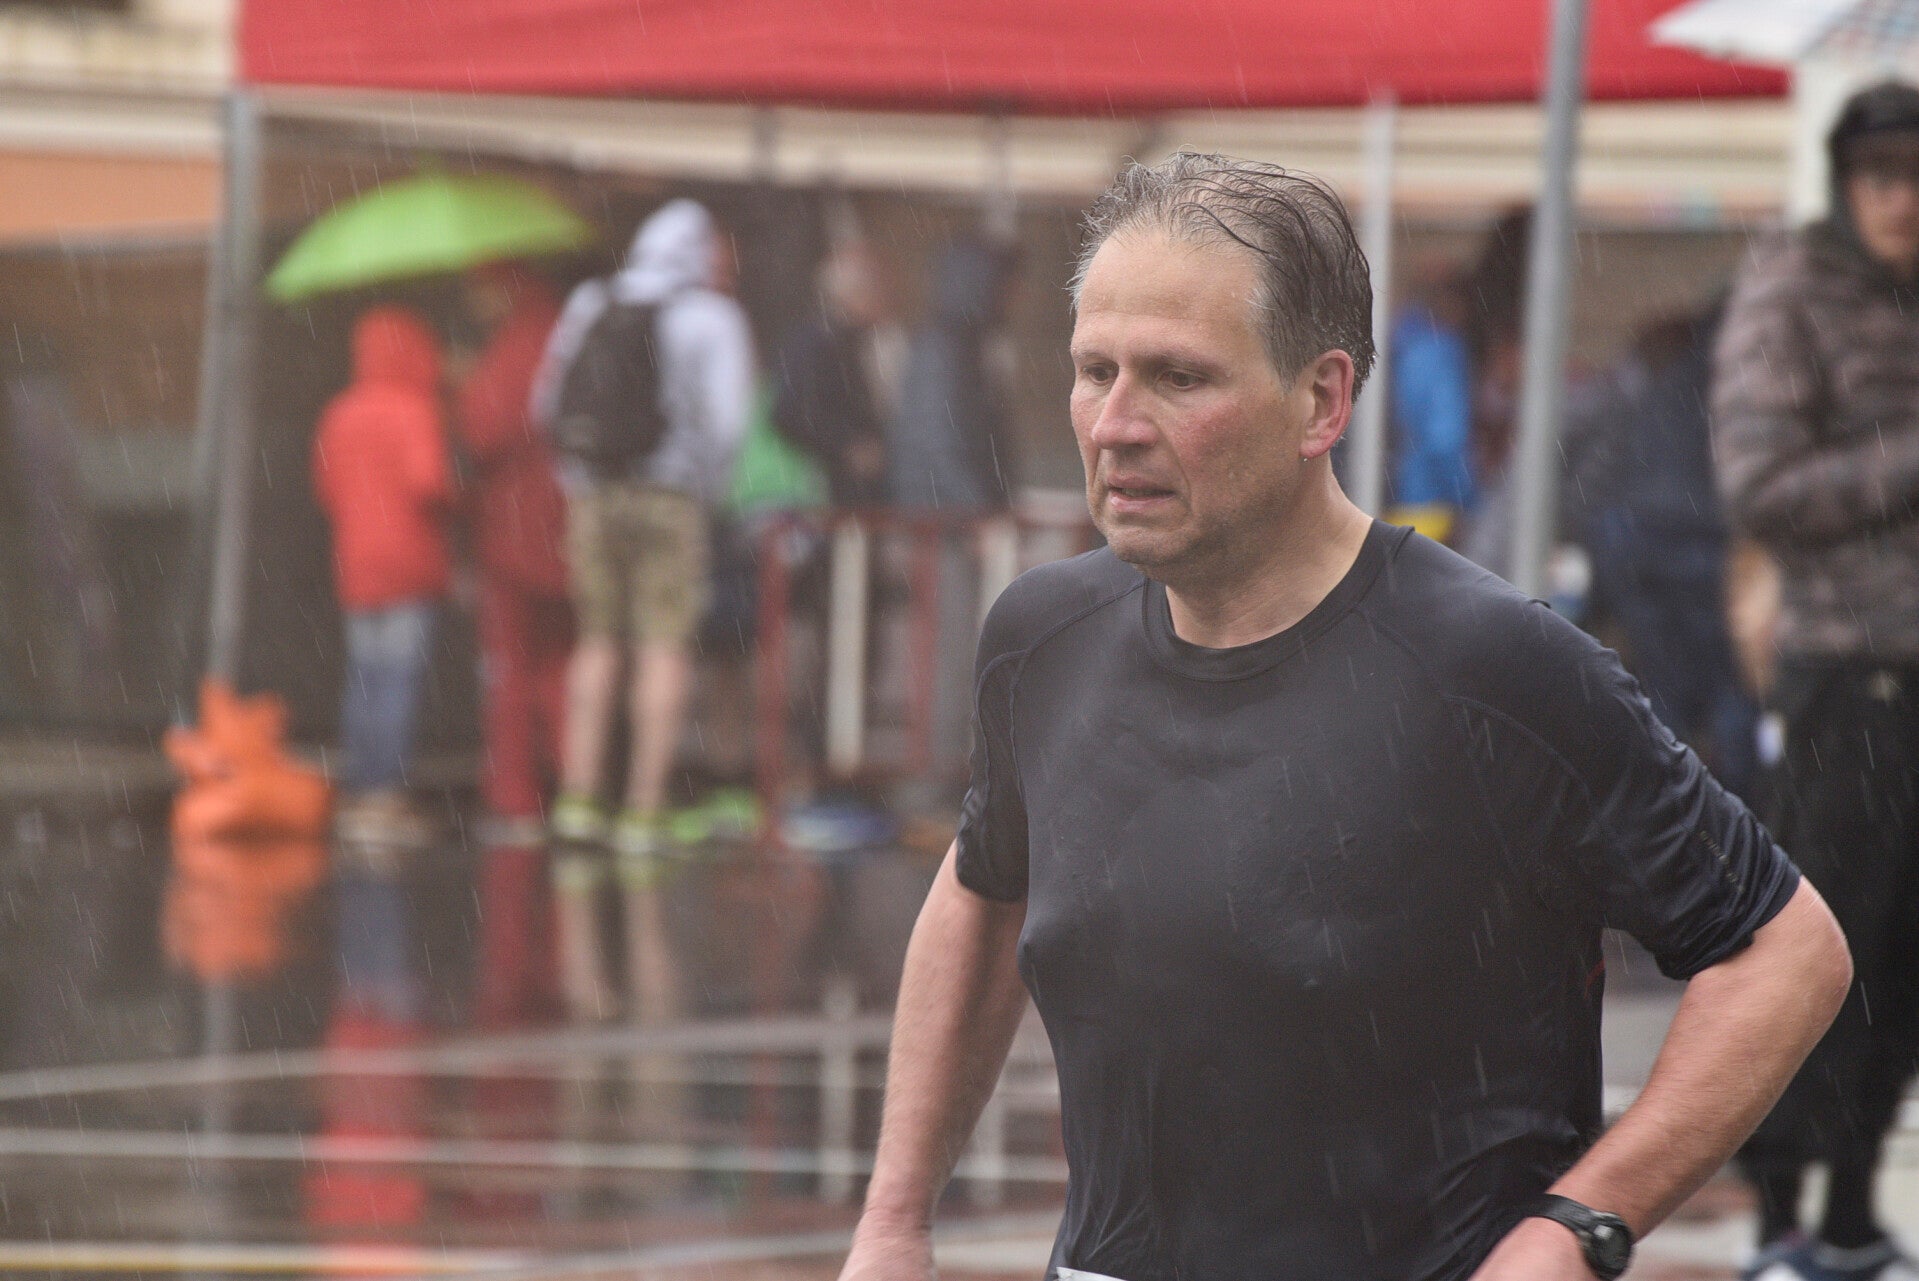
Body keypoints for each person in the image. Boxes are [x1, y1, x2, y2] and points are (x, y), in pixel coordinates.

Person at [839, 153, 1850, 1281]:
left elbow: (1785, 952)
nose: (1115, 423)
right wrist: (892, 1221)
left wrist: (1581, 1226)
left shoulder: (1491, 668)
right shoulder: (1042, 640)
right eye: (1093, 370)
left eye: (1177, 377)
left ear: (1321, 400)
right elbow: (983, 889)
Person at [1713, 80, 1919, 1281]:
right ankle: (1778, 1215)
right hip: (1845, 673)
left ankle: (1847, 1209)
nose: (1900, 201)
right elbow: (1760, 486)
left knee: (1904, 966)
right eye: (1879, 177)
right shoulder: (1791, 286)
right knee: (1818, 954)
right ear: (1844, 184)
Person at [532, 198, 754, 1021]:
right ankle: (642, 806)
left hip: (595, 493)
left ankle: (579, 799)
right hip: (669, 497)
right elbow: (729, 422)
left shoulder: (593, 302)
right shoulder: (711, 317)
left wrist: (581, 479)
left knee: (598, 642)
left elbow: (545, 406)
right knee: (664, 646)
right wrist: (705, 491)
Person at [311, 305, 454, 1025]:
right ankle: (384, 796)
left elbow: (325, 488)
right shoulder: (414, 410)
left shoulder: (340, 412)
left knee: (364, 679)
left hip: (357, 564)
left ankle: (360, 790)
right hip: (407, 563)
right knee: (397, 680)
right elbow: (431, 484)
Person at [1564, 306, 1758, 802]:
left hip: (1634, 540)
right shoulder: (1744, 375)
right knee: (1729, 686)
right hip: (1701, 541)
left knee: (1665, 688)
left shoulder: (1673, 378)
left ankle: (1667, 808)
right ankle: (1738, 815)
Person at [452, 261, 569, 1029]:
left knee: (511, 672)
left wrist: (460, 385)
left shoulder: (515, 345)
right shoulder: (566, 334)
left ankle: (519, 794)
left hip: (514, 533)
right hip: (562, 528)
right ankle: (572, 782)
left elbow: (484, 426)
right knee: (561, 670)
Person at [1386, 265, 1476, 541]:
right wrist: (1467, 499)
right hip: (1430, 508)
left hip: (1389, 498)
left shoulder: (1399, 344)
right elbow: (1444, 440)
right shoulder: (1440, 353)